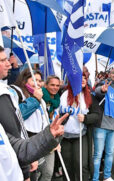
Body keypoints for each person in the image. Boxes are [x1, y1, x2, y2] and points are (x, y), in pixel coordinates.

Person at [0, 45, 68, 180]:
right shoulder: (13, 93)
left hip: (39, 140)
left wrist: (50, 134)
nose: (37, 83)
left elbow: (44, 118)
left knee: (47, 173)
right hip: (28, 140)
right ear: (25, 80)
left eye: (39, 80)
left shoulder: (43, 97)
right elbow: (18, 119)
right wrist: (35, 100)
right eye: (34, 80)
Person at [0, 113, 69, 181]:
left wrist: (49, 136)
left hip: (37, 141)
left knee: (48, 172)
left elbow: (18, 149)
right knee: (39, 173)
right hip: (30, 135)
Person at [59, 74, 94, 181]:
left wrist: (86, 118)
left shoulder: (87, 96)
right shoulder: (65, 95)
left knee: (81, 164)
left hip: (80, 134)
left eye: (85, 78)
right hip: (66, 135)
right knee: (67, 165)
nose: (83, 80)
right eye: (80, 77)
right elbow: (60, 113)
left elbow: (96, 115)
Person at [93, 68, 114, 181]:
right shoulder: (103, 83)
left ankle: (107, 176)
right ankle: (95, 178)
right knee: (98, 154)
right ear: (109, 74)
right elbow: (98, 91)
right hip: (101, 126)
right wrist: (103, 90)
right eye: (113, 73)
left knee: (110, 153)